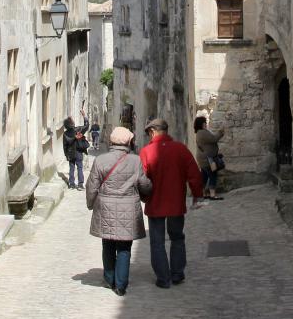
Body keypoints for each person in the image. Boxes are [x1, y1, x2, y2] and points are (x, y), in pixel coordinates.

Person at [85, 127, 152, 296]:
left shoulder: (101, 160)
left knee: (107, 243)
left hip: (105, 207)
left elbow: (91, 185)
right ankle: (121, 285)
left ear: (111, 141)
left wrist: (90, 203)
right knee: (124, 247)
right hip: (128, 208)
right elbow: (144, 184)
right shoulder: (135, 161)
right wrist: (148, 193)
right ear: (129, 141)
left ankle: (109, 278)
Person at [139, 118, 203, 288]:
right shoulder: (180, 149)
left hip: (155, 203)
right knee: (177, 237)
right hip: (176, 203)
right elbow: (194, 174)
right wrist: (197, 195)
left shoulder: (146, 152)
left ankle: (163, 277)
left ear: (153, 131)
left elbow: (142, 180)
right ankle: (177, 273)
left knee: (157, 242)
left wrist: (144, 197)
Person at [194, 116, 225, 200]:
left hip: (203, 159)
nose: (206, 123)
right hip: (208, 159)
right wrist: (221, 131)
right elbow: (214, 139)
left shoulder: (199, 132)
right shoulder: (202, 133)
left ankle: (202, 193)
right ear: (201, 123)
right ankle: (212, 194)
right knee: (213, 175)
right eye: (204, 122)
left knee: (204, 176)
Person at [63, 109, 88, 190]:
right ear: (72, 123)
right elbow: (86, 126)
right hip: (78, 152)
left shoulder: (65, 134)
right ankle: (80, 184)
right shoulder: (78, 130)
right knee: (79, 167)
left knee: (72, 168)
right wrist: (84, 116)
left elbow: (65, 146)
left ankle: (71, 184)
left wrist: (66, 155)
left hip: (70, 153)